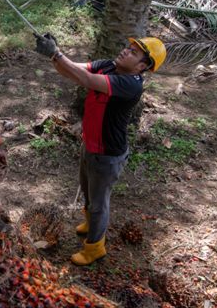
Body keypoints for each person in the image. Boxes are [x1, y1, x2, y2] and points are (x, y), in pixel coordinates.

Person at [34, 33, 166, 266]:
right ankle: (91, 223)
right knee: (87, 190)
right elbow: (73, 71)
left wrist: (56, 53)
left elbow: (86, 80)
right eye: (128, 47)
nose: (126, 51)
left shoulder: (129, 85)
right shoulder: (109, 65)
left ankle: (95, 247)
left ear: (142, 66)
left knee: (99, 203)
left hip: (107, 154)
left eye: (133, 53)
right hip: (91, 144)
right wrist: (54, 57)